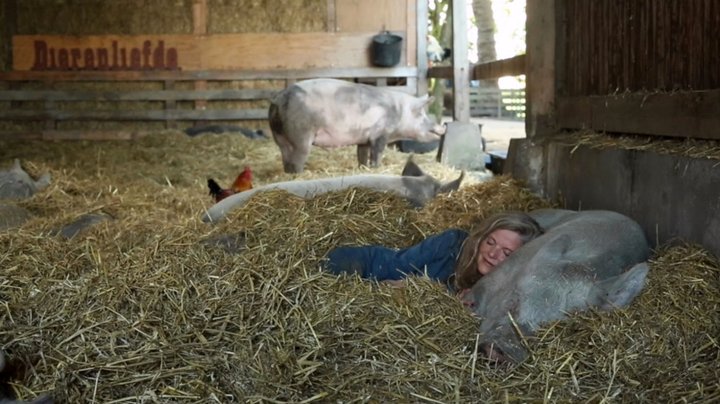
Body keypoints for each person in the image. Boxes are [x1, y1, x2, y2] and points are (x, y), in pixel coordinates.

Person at [323, 211, 543, 294]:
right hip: (373, 273)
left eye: (506, 252)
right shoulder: (451, 245)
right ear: (480, 238)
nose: (492, 254)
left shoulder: (506, 291)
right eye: (490, 242)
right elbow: (392, 265)